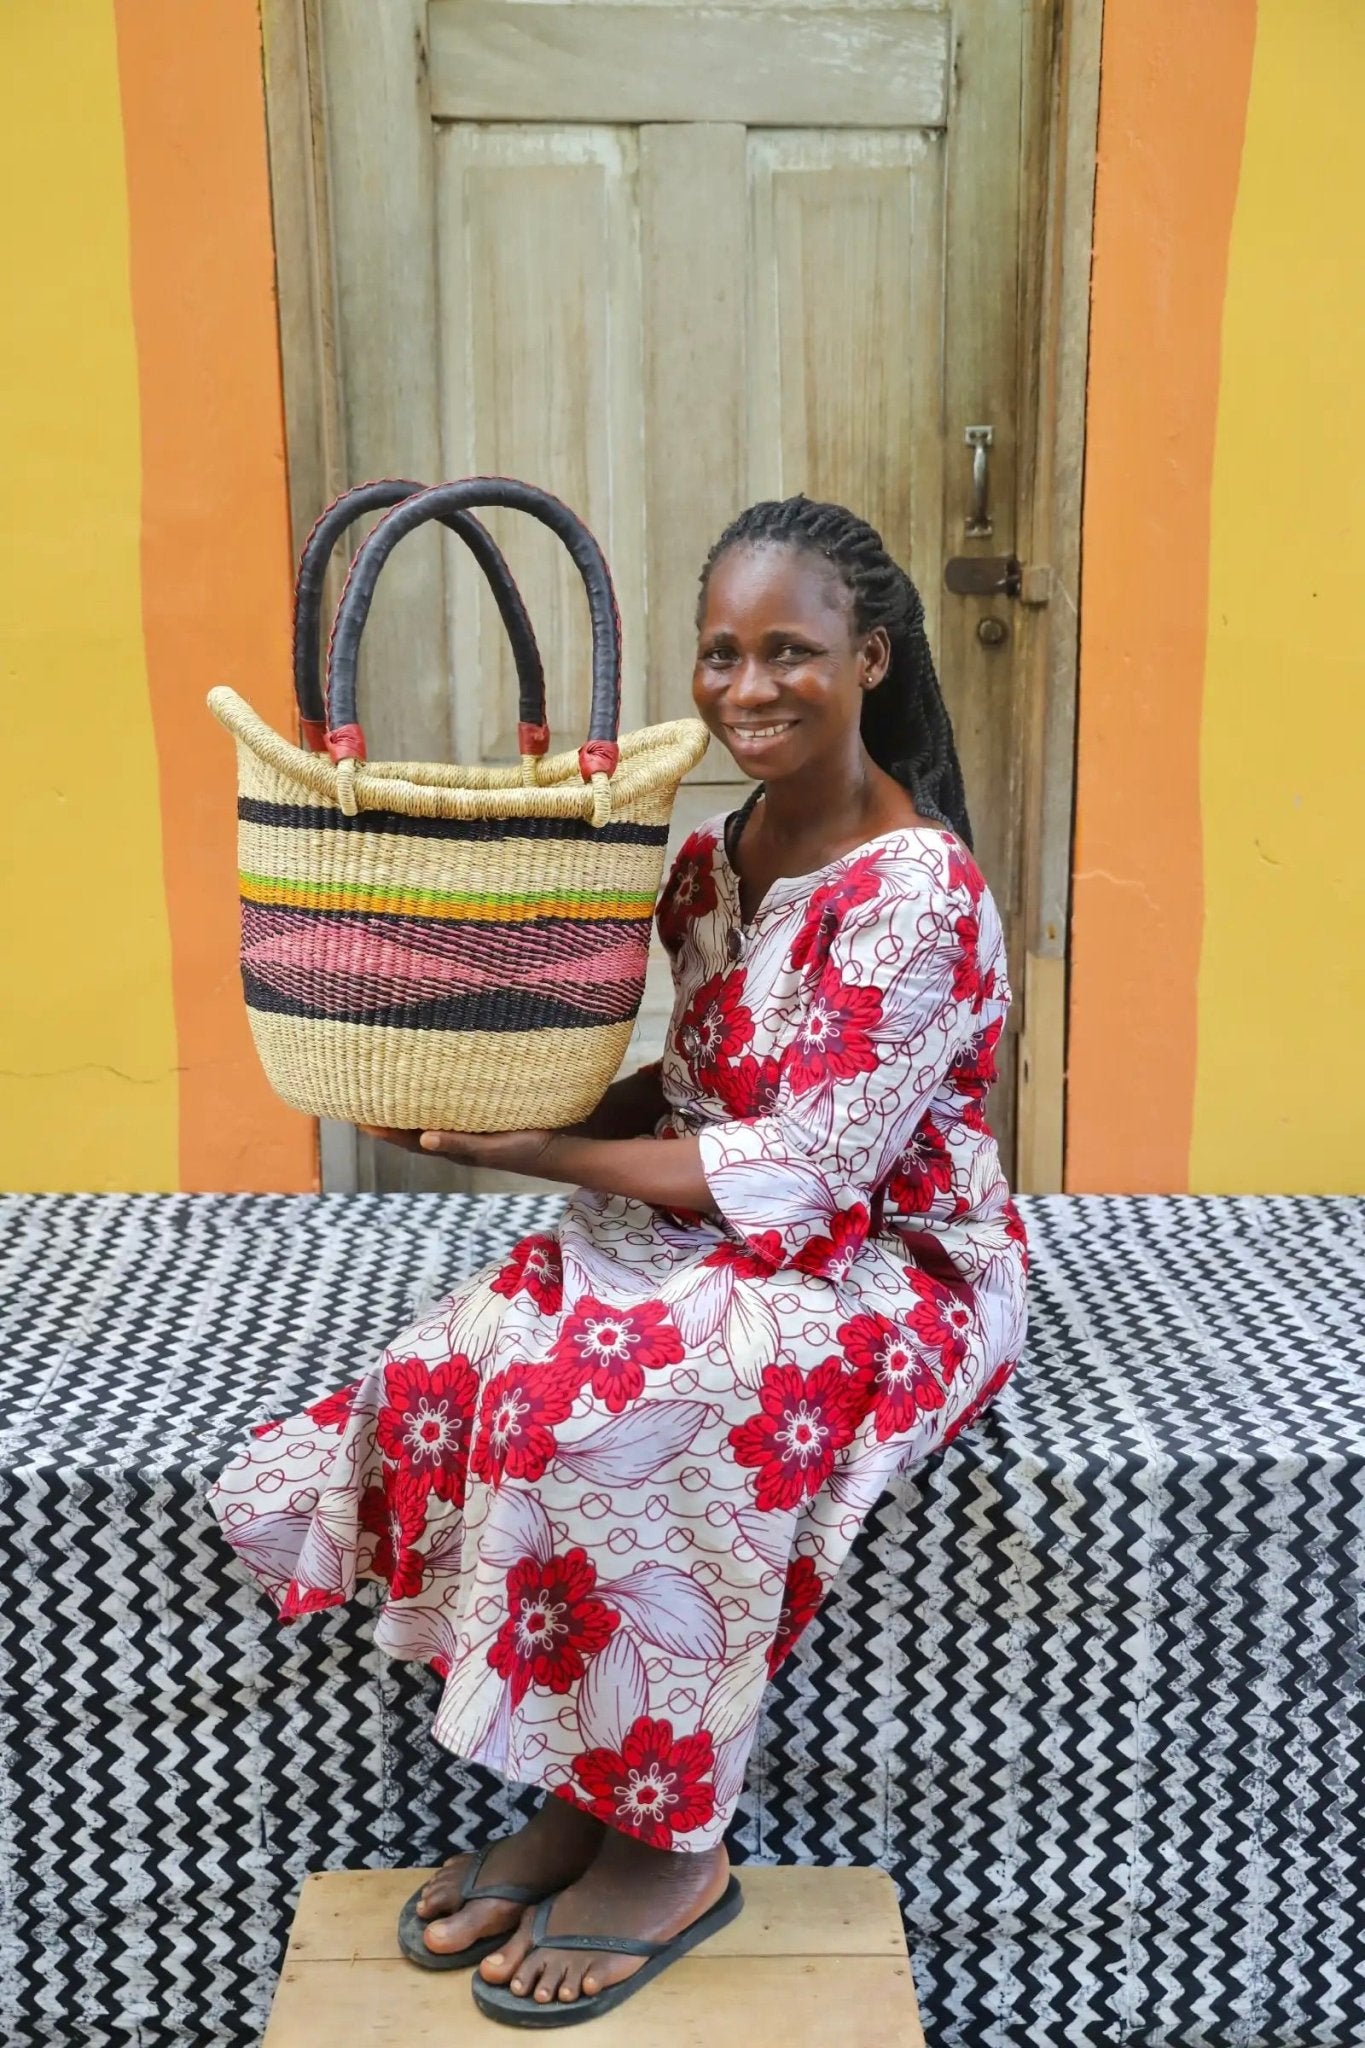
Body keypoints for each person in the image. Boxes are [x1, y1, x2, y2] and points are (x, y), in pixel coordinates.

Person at [209, 494, 1028, 2028]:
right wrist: (506, 1107)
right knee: (472, 1361)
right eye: (720, 653)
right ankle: (579, 1796)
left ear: (870, 659)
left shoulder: (918, 890)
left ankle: (669, 1844)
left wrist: (535, 1153)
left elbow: (807, 1170)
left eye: (789, 651)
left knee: (623, 1407)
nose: (746, 687)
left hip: (888, 1262)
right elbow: (699, 1080)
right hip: (715, 1216)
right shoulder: (716, 856)